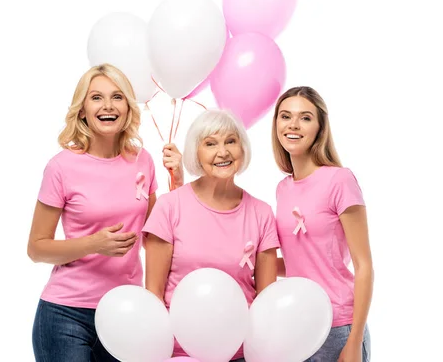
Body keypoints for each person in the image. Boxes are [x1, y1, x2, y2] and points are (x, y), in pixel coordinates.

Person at [27, 63, 183, 362]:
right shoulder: (61, 167)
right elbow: (36, 248)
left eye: (117, 97)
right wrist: (93, 244)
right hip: (66, 315)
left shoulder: (142, 161)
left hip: (127, 312)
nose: (108, 106)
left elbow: (157, 238)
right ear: (82, 110)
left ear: (127, 108)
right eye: (96, 97)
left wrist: (176, 183)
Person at [143, 109, 279, 362]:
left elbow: (267, 301)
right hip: (179, 353)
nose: (223, 152)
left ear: (242, 148)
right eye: (210, 144)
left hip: (241, 353)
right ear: (196, 152)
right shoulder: (169, 207)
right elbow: (153, 295)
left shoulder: (262, 213)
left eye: (231, 141)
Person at [272, 86, 373, 362]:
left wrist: (354, 341)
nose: (293, 124)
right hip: (298, 324)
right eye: (285, 116)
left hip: (338, 327)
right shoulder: (283, 188)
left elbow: (364, 265)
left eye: (305, 118)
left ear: (319, 128)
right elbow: (298, 261)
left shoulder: (340, 180)